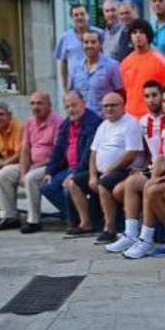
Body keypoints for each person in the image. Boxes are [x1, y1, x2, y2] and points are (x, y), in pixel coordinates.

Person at [115, 85, 165, 259]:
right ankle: (135, 235)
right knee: (135, 182)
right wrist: (155, 176)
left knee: (152, 190)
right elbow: (159, 156)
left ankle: (153, 238)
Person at [66, 92, 143, 244]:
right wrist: (93, 175)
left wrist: (109, 171)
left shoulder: (130, 123)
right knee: (73, 183)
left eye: (113, 105)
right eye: (106, 106)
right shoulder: (103, 125)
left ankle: (110, 228)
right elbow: (94, 153)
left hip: (124, 170)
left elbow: (131, 154)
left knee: (104, 183)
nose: (109, 109)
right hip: (103, 171)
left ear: (122, 106)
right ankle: (86, 223)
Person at [0, 92, 62, 233]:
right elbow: (25, 149)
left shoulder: (57, 122)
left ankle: (33, 220)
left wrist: (37, 166)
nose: (35, 107)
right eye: (33, 103)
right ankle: (10, 217)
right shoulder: (30, 122)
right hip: (31, 164)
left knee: (31, 178)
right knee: (4, 174)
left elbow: (58, 153)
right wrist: (23, 172)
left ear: (49, 105)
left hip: (50, 166)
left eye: (40, 103)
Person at [41, 91, 101, 230]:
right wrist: (50, 171)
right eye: (67, 106)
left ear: (83, 104)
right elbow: (58, 150)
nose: (70, 110)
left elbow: (88, 153)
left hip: (85, 168)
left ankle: (82, 221)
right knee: (47, 187)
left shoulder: (92, 122)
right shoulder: (66, 124)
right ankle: (75, 217)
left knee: (69, 186)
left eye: (74, 105)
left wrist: (75, 173)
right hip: (67, 167)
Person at [119, 19, 165, 118]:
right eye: (134, 32)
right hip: (130, 116)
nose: (138, 36)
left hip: (154, 117)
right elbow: (123, 92)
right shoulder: (125, 63)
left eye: (142, 32)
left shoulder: (162, 62)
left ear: (148, 36)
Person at [70, 30, 123, 116]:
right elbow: (73, 93)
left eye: (93, 42)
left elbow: (120, 93)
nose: (89, 45)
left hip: (104, 119)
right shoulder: (76, 67)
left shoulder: (112, 66)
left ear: (100, 44)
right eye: (86, 42)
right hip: (82, 119)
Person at [56, 4, 103, 93]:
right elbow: (63, 63)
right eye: (76, 15)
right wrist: (65, 88)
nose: (79, 17)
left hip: (96, 84)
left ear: (88, 16)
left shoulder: (99, 34)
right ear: (72, 18)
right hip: (75, 87)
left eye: (82, 14)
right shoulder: (65, 37)